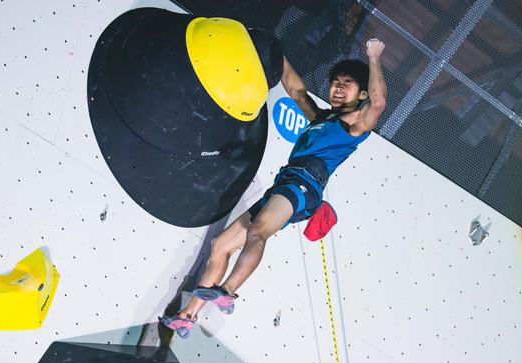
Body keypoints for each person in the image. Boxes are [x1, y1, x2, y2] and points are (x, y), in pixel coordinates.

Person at [161, 39, 387, 339]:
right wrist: (271, 46)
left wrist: (374, 56)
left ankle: (227, 291)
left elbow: (379, 102)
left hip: (303, 188)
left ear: (361, 93)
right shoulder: (321, 118)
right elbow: (295, 89)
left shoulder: (357, 123)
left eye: (347, 84)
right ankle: (187, 316)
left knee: (258, 232)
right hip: (286, 185)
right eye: (335, 82)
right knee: (221, 245)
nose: (337, 87)